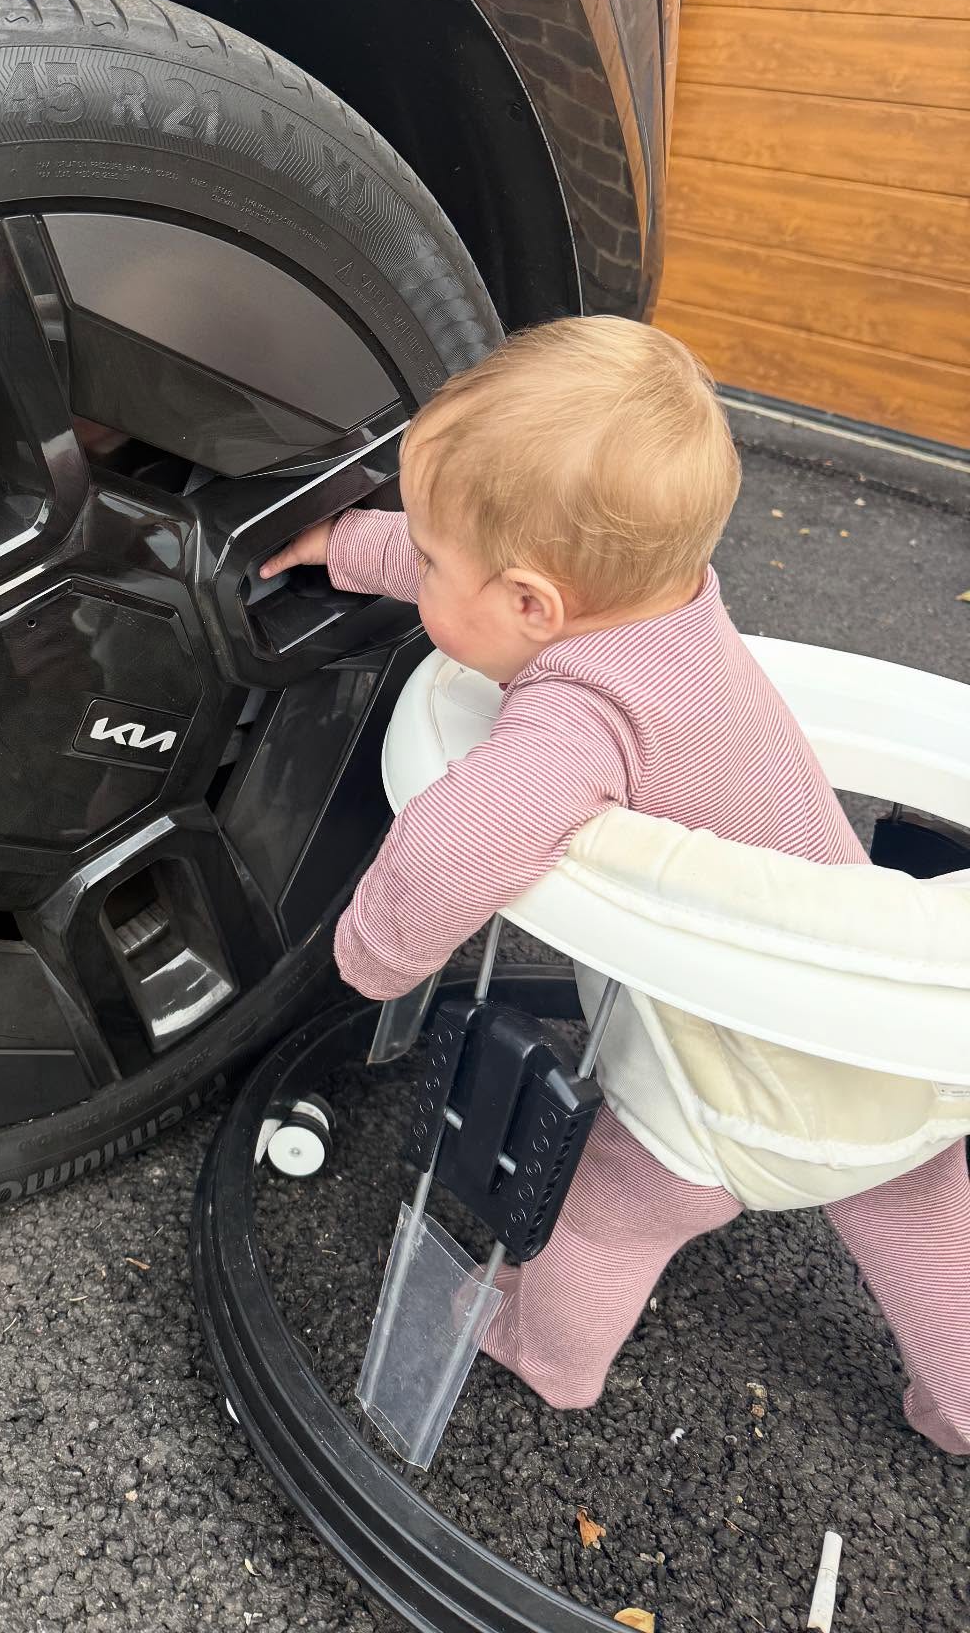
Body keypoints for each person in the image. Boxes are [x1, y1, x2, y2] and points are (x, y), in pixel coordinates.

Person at [258, 315, 970, 1454]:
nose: (419, 564)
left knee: (603, 1214)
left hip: (743, 1089)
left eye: (430, 562)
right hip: (899, 1047)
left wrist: (373, 953)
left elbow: (455, 847)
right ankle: (963, 1403)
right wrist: (347, 545)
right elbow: (490, 564)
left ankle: (547, 1355)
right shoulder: (675, 604)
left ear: (536, 609)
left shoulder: (579, 716)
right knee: (920, 1216)